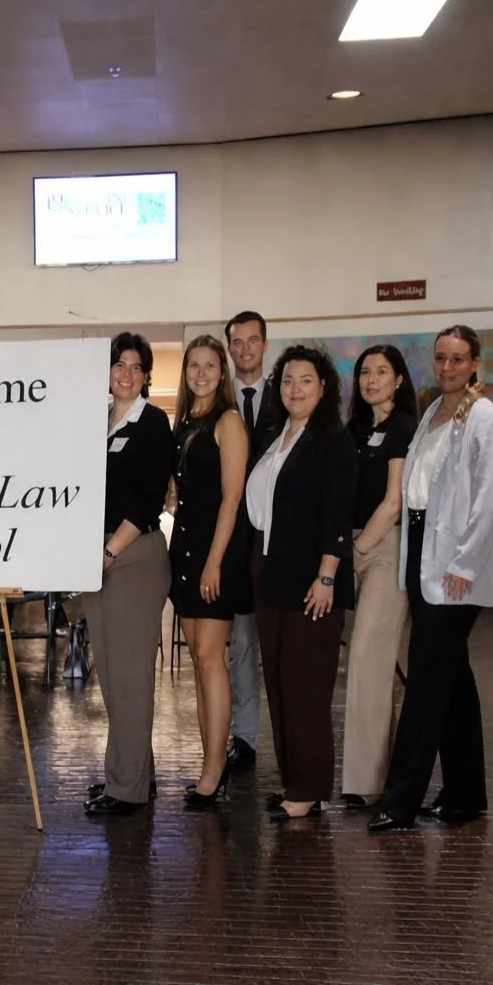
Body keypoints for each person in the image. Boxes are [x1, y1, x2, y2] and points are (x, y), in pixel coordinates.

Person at [369, 326, 493, 832]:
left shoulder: (486, 418)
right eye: (441, 358)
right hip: (424, 552)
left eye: (458, 359)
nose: (448, 367)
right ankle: (466, 794)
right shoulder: (431, 414)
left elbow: (488, 498)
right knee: (454, 678)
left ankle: (400, 802)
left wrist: (464, 565)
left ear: (475, 364)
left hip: (456, 566)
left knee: (426, 680)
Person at [245, 345, 357, 821]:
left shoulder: (333, 441)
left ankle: (309, 788)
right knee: (278, 682)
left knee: (306, 686)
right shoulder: (275, 436)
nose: (295, 389)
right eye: (288, 380)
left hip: (314, 577)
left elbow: (338, 512)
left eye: (306, 380)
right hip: (270, 572)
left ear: (323, 387)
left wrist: (327, 575)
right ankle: (295, 780)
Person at [84, 332, 173, 816]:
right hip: (96, 557)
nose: (126, 373)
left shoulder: (153, 423)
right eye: (119, 364)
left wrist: (108, 552)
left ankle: (126, 789)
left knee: (132, 678)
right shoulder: (95, 421)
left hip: (132, 555)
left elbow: (146, 499)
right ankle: (136, 773)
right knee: (113, 675)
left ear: (146, 376)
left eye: (136, 367)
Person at [169, 336, 250, 808]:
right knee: (200, 666)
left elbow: (232, 499)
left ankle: (216, 770)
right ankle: (209, 763)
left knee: (209, 657)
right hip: (184, 550)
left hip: (215, 553)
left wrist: (214, 562)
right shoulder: (185, 423)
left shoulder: (228, 421)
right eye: (193, 366)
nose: (201, 374)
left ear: (223, 373)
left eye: (210, 366)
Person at [340, 345, 417, 809]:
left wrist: (357, 550)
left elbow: (393, 503)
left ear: (399, 380)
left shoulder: (404, 427)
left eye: (382, 372)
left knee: (370, 659)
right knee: (363, 664)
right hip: (350, 548)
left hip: (384, 548)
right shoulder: (354, 430)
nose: (371, 380)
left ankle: (366, 783)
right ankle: (365, 776)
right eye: (365, 372)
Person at [223, 310, 274, 772]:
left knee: (278, 645)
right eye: (236, 342)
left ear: (265, 344)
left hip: (278, 543)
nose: (245, 349)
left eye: (252, 341)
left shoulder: (287, 398)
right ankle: (244, 737)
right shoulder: (220, 400)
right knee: (240, 643)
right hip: (233, 541)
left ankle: (289, 741)